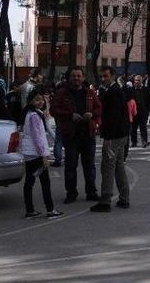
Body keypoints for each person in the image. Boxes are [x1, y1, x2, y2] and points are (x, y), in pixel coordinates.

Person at [51, 67, 102, 204]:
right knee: (70, 166)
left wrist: (92, 114)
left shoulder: (90, 93)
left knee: (90, 165)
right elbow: (53, 109)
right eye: (73, 76)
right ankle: (71, 193)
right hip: (71, 134)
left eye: (79, 76)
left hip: (88, 134)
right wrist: (69, 116)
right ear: (69, 78)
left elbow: (99, 108)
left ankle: (91, 192)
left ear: (83, 77)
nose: (76, 78)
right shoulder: (62, 93)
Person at [90, 66, 130, 212]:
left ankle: (105, 200)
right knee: (119, 167)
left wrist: (104, 132)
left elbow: (112, 117)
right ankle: (124, 198)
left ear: (112, 76)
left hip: (113, 136)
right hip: (120, 135)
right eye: (101, 76)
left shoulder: (113, 92)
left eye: (106, 76)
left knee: (107, 167)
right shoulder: (114, 91)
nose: (103, 79)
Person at [20, 89, 63, 220]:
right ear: (31, 101)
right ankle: (50, 210)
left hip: (30, 153)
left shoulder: (32, 113)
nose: (40, 102)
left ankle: (30, 210)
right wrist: (44, 156)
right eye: (37, 100)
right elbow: (38, 137)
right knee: (45, 182)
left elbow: (44, 131)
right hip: (36, 154)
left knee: (29, 182)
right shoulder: (33, 116)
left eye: (41, 99)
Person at [130, 75, 150, 148]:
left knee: (143, 127)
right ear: (134, 81)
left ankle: (144, 141)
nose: (137, 81)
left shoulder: (146, 89)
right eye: (136, 80)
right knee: (133, 128)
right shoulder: (131, 89)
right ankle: (134, 142)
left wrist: (147, 111)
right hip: (133, 113)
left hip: (143, 112)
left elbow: (149, 100)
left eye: (139, 80)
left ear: (142, 81)